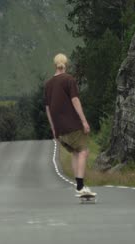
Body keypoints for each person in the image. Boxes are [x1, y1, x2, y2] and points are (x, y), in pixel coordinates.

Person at [44, 53, 96, 196]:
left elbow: (48, 108)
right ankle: (80, 187)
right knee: (83, 152)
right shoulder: (69, 80)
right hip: (72, 125)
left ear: (55, 65)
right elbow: (75, 100)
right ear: (66, 64)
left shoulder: (48, 84)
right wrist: (84, 121)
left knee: (75, 152)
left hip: (60, 130)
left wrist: (54, 129)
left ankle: (78, 185)